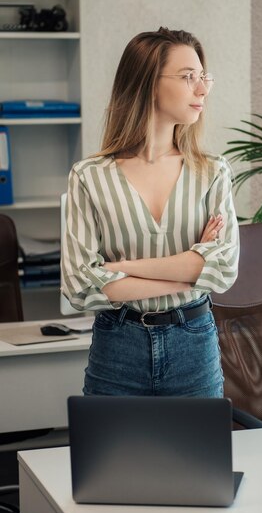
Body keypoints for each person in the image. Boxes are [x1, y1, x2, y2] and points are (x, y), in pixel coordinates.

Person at [61, 27, 239, 398]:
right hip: (117, 345)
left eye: (203, 78)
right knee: (109, 457)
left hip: (194, 343)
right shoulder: (89, 176)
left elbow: (222, 270)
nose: (202, 89)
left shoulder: (212, 172)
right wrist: (189, 271)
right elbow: (80, 285)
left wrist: (120, 270)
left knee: (200, 457)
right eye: (188, 77)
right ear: (146, 82)